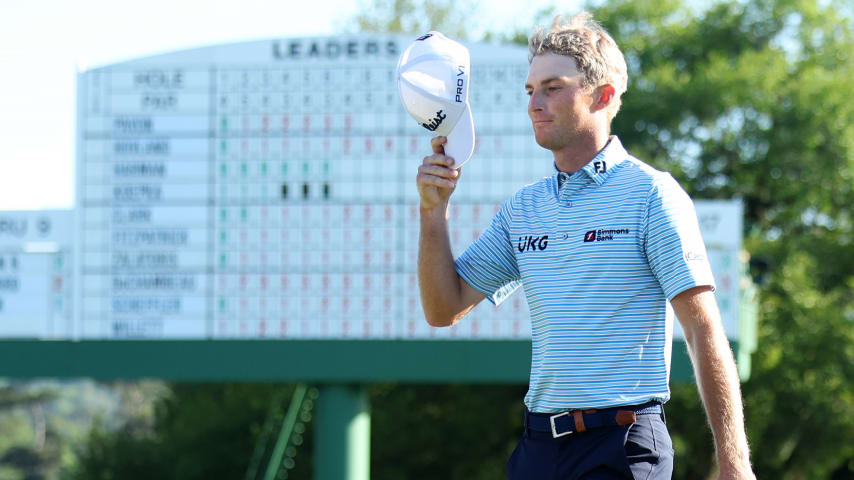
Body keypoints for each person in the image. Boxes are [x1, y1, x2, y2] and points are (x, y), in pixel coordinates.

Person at [415, 11, 756, 480]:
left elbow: (703, 331)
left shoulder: (652, 194)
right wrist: (433, 212)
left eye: (553, 87)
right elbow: (443, 307)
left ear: (603, 96)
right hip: (538, 449)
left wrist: (735, 464)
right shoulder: (523, 209)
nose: (535, 103)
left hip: (621, 445)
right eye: (530, 90)